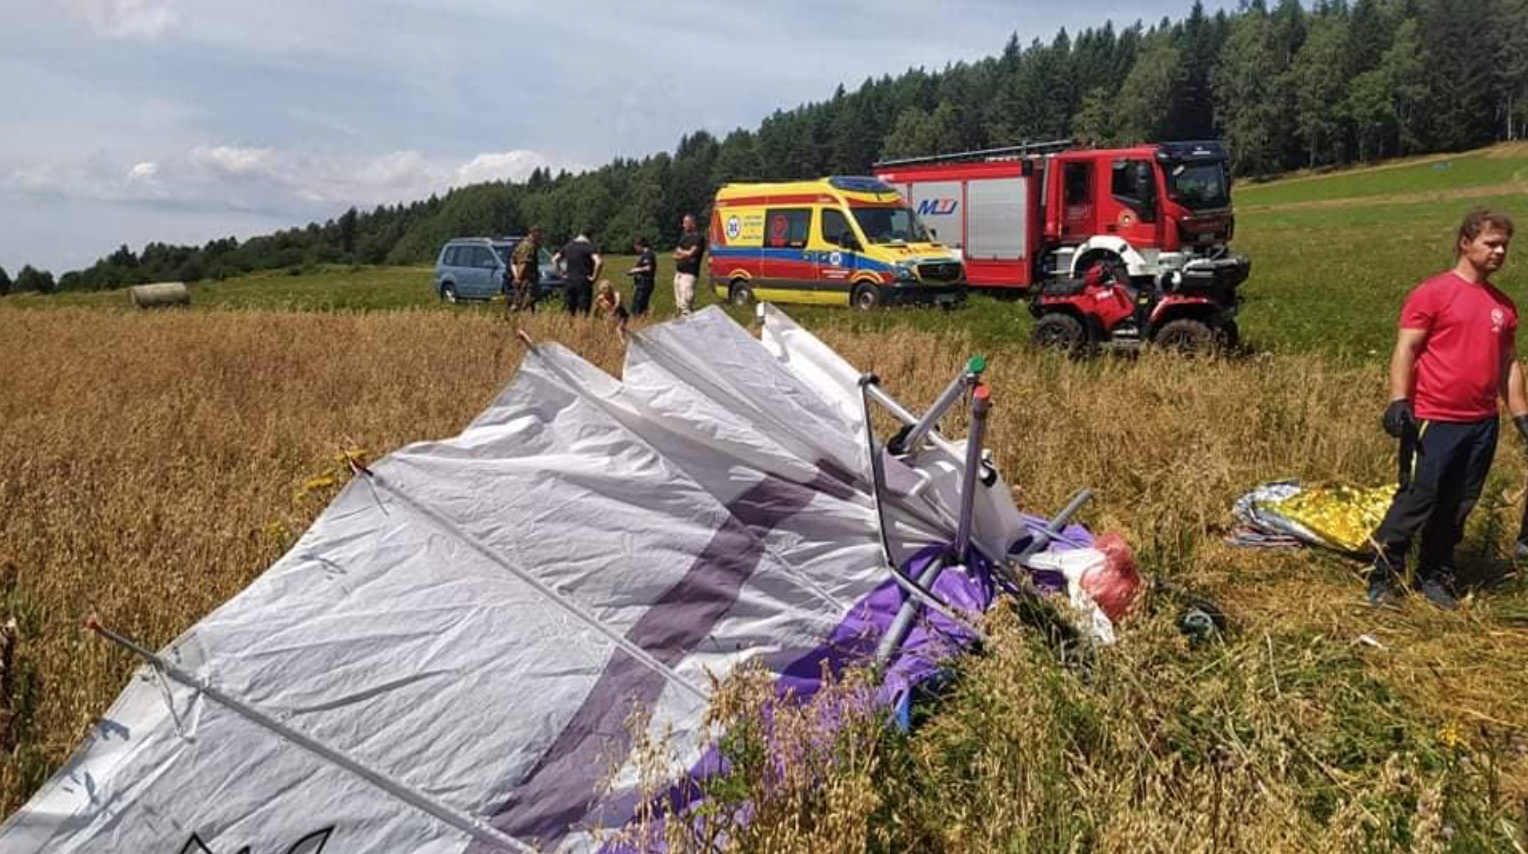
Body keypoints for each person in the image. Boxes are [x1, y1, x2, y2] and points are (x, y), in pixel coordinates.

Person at [1368, 208, 1518, 610]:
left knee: (1458, 503)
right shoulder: (1432, 293)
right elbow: (1407, 348)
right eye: (1491, 243)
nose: (1499, 252)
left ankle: (1434, 574)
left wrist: (1521, 415)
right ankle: (1383, 576)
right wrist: (1399, 401)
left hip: (1482, 423)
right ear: (1465, 243)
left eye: (1505, 245)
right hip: (1434, 418)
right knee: (1418, 497)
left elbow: (1508, 365)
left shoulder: (1503, 307)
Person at [552, 229, 602, 316]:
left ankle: (569, 328)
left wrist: (560, 274)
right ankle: (581, 327)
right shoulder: (589, 247)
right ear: (590, 236)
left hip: (569, 280)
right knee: (583, 311)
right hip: (583, 281)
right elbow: (599, 262)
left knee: (569, 310)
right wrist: (594, 277)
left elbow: (554, 259)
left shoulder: (568, 246)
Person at [672, 214, 706, 316]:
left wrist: (682, 253)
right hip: (679, 273)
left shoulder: (699, 237)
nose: (684, 225)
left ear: (692, 223)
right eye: (683, 222)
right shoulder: (683, 237)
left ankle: (689, 323)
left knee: (686, 303)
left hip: (689, 274)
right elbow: (675, 253)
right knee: (679, 303)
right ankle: (681, 323)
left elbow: (691, 253)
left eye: (686, 222)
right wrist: (684, 254)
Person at [507, 226, 543, 314]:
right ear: (535, 233)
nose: (541, 236)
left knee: (519, 301)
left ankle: (513, 318)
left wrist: (516, 276)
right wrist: (519, 277)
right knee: (526, 303)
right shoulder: (529, 246)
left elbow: (513, 262)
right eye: (540, 234)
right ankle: (518, 321)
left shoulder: (520, 245)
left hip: (521, 279)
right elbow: (524, 263)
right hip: (528, 280)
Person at [628, 236, 657, 316]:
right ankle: (643, 319)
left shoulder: (649, 254)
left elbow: (648, 268)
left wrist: (635, 270)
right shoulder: (644, 254)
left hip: (645, 283)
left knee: (637, 306)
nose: (635, 249)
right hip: (641, 283)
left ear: (639, 245)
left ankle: (638, 321)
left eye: (635, 246)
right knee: (641, 305)